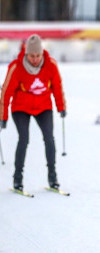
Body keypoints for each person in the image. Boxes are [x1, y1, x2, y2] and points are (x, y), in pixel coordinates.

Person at [0, 34, 66, 191]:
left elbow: (57, 87)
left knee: (49, 138)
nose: (35, 59)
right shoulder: (16, 67)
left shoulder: (50, 65)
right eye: (32, 55)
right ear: (26, 53)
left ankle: (53, 178)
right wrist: (3, 116)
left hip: (43, 107)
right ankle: (17, 179)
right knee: (24, 139)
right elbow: (6, 92)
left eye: (38, 55)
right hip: (21, 107)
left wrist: (61, 107)